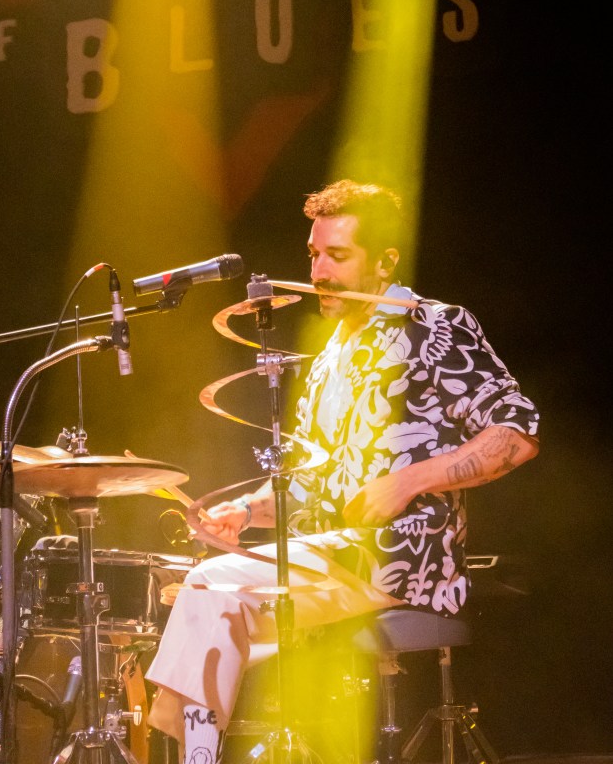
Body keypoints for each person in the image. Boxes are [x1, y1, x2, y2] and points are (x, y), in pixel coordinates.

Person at [145, 179, 539, 763]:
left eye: (338, 255)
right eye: (314, 255)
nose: (320, 272)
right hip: (337, 555)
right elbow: (308, 480)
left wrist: (410, 479)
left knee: (210, 585)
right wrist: (245, 512)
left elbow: (517, 432)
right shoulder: (330, 356)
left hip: (405, 557)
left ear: (384, 261)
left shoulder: (433, 325)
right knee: (201, 598)